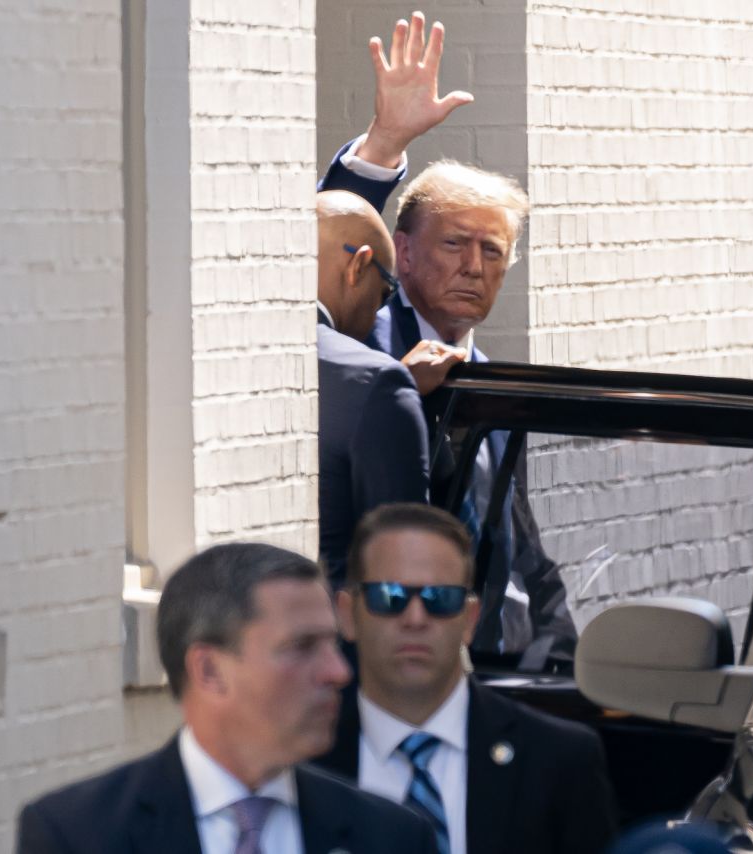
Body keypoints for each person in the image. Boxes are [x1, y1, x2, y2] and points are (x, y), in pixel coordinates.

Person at [319, 13, 574, 662]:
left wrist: (560, 649)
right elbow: (311, 254)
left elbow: (515, 542)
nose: (474, 266)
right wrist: (383, 145)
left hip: (486, 665)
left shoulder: (490, 380)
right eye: (455, 244)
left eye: (493, 251)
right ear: (399, 255)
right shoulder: (361, 344)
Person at [16, 542, 436, 854]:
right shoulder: (79, 835)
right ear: (209, 670)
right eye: (302, 647)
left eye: (333, 645)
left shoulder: (390, 837)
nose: (338, 671)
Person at [315, 503, 617, 854]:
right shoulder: (297, 759)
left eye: (439, 598)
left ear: (471, 620)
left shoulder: (559, 761)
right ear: (347, 614)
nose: (415, 618)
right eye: (390, 596)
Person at [315, 189, 463, 585]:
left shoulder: (215, 359)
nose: (379, 311)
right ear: (357, 265)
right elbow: (403, 561)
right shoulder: (377, 382)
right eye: (385, 291)